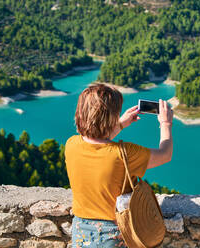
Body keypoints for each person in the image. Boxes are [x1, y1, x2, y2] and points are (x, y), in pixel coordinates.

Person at [65, 83, 173, 248]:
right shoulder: (125, 154)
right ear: (112, 116)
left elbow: (97, 141)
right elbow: (165, 155)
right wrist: (165, 124)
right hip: (113, 236)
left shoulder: (71, 145)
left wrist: (120, 125)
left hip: (80, 232)